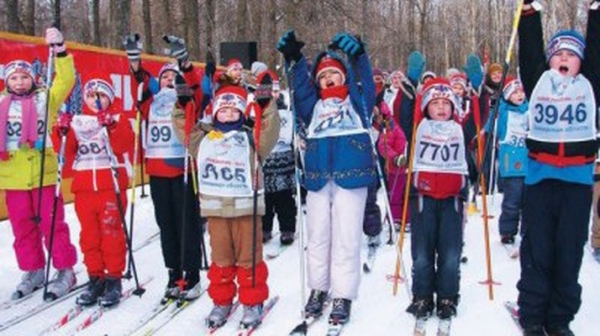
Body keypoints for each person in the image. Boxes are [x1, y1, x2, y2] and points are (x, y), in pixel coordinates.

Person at [277, 30, 377, 325]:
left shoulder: (357, 101)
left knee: (346, 237)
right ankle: (318, 289)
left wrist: (358, 56)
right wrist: (295, 61)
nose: (328, 79)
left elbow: (368, 82)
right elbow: (301, 91)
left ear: (344, 77)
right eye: (322, 76)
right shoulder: (314, 106)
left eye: (334, 73)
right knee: (318, 237)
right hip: (319, 178)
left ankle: (343, 294)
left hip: (352, 176)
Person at [516, 1, 600, 335]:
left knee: (568, 252)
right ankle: (533, 314)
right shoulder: (539, 81)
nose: (564, 59)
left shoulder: (590, 84)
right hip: (541, 179)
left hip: (577, 182)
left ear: (582, 62)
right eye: (558, 53)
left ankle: (559, 317)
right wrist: (530, 14)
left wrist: (595, 12)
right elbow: (530, 51)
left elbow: (598, 49)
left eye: (571, 54)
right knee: (538, 251)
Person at [177, 76, 279, 329]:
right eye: (224, 110)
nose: (229, 114)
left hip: (246, 207)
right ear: (215, 112)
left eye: (235, 109)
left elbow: (271, 131)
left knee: (249, 259)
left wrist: (266, 106)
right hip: (216, 208)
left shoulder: (252, 137)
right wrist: (181, 105)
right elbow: (184, 128)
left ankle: (252, 301)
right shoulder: (203, 138)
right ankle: (222, 300)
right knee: (221, 258)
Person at [125, 34, 205, 302]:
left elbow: (195, 86)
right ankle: (174, 272)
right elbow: (140, 83)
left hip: (183, 171)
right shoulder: (153, 101)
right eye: (166, 77)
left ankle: (192, 274)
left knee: (187, 225)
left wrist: (183, 61)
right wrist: (135, 60)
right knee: (167, 226)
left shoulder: (186, 99)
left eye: (174, 76)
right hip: (158, 173)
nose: (170, 81)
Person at [0, 27, 77, 301]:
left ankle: (65, 269)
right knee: (22, 227)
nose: (20, 82)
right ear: (7, 81)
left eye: (24, 76)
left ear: (32, 78)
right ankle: (33, 270)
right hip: (13, 178)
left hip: (43, 175)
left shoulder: (45, 98)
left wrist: (60, 50)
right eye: (14, 77)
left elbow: (66, 79)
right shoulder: (0, 104)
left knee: (53, 224)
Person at [53, 74, 134, 306]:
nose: (95, 99)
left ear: (109, 97)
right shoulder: (79, 120)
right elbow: (66, 155)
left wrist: (112, 126)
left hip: (111, 186)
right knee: (89, 235)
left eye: (100, 95)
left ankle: (113, 278)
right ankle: (95, 276)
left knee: (111, 233)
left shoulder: (117, 118)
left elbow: (124, 146)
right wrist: (63, 131)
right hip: (85, 187)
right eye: (90, 95)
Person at [405, 78, 467, 323]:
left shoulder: (459, 127)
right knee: (422, 252)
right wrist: (411, 81)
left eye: (446, 103)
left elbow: (479, 117)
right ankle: (422, 295)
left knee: (451, 252)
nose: (441, 107)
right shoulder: (419, 126)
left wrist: (478, 85)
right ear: (425, 107)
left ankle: (447, 296)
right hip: (423, 197)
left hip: (452, 197)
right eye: (435, 103)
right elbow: (404, 110)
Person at [482, 76, 528, 245]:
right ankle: (507, 231)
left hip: (530, 162)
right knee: (512, 201)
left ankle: (528, 230)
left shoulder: (529, 109)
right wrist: (493, 116)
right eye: (514, 92)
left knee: (530, 201)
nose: (519, 95)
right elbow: (489, 129)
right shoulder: (502, 113)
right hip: (512, 164)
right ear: (507, 95)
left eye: (521, 91)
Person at [261, 74, 297, 246]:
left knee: (284, 200)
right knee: (265, 201)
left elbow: (295, 131)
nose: (273, 94)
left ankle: (287, 229)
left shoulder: (286, 111)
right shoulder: (257, 110)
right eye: (270, 91)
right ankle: (264, 229)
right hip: (266, 162)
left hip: (284, 161)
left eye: (275, 91)